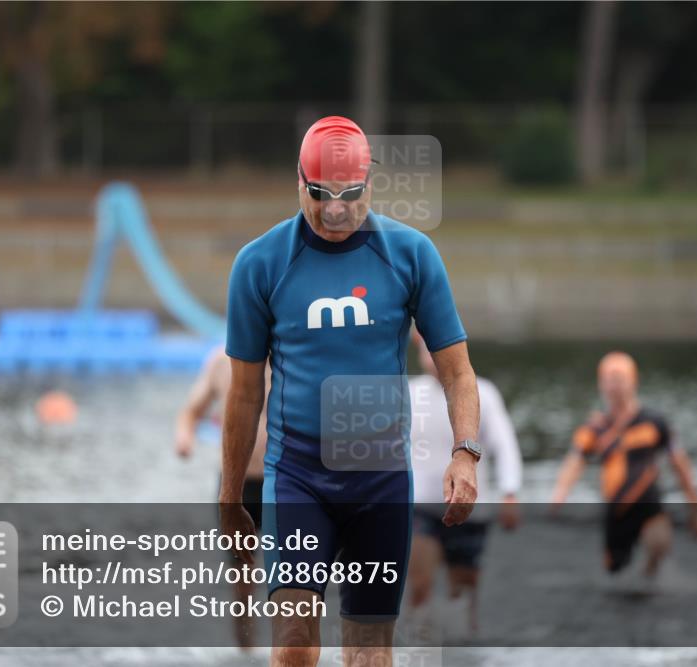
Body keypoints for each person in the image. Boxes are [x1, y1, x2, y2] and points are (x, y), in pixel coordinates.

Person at [220, 115, 481, 667]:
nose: (335, 209)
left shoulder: (410, 255)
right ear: (298, 182)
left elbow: (457, 373)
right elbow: (244, 395)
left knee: (367, 654)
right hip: (297, 476)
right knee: (293, 640)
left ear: (370, 184)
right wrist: (228, 494)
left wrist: (465, 454)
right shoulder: (259, 265)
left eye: (349, 194)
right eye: (320, 195)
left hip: (380, 480)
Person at [406, 332, 521, 637]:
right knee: (419, 584)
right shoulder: (407, 393)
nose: (433, 358)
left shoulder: (484, 392)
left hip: (469, 506)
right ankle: (420, 640)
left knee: (463, 590)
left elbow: (504, 445)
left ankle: (461, 644)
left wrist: (510, 492)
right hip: (418, 506)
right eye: (426, 350)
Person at [550, 351, 697, 577]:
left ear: (634, 381)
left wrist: (695, 507)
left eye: (620, 379)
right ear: (601, 384)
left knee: (659, 543)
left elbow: (679, 463)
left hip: (648, 501)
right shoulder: (595, 428)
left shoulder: (655, 421)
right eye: (609, 380)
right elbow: (575, 461)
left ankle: (653, 574)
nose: (615, 386)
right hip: (616, 508)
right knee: (615, 569)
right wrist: (560, 493)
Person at [174, 344, 269, 652]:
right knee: (242, 576)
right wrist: (185, 437)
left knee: (293, 573)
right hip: (235, 485)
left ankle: (291, 645)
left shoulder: (292, 355)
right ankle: (246, 648)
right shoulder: (220, 361)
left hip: (287, 483)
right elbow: (191, 411)